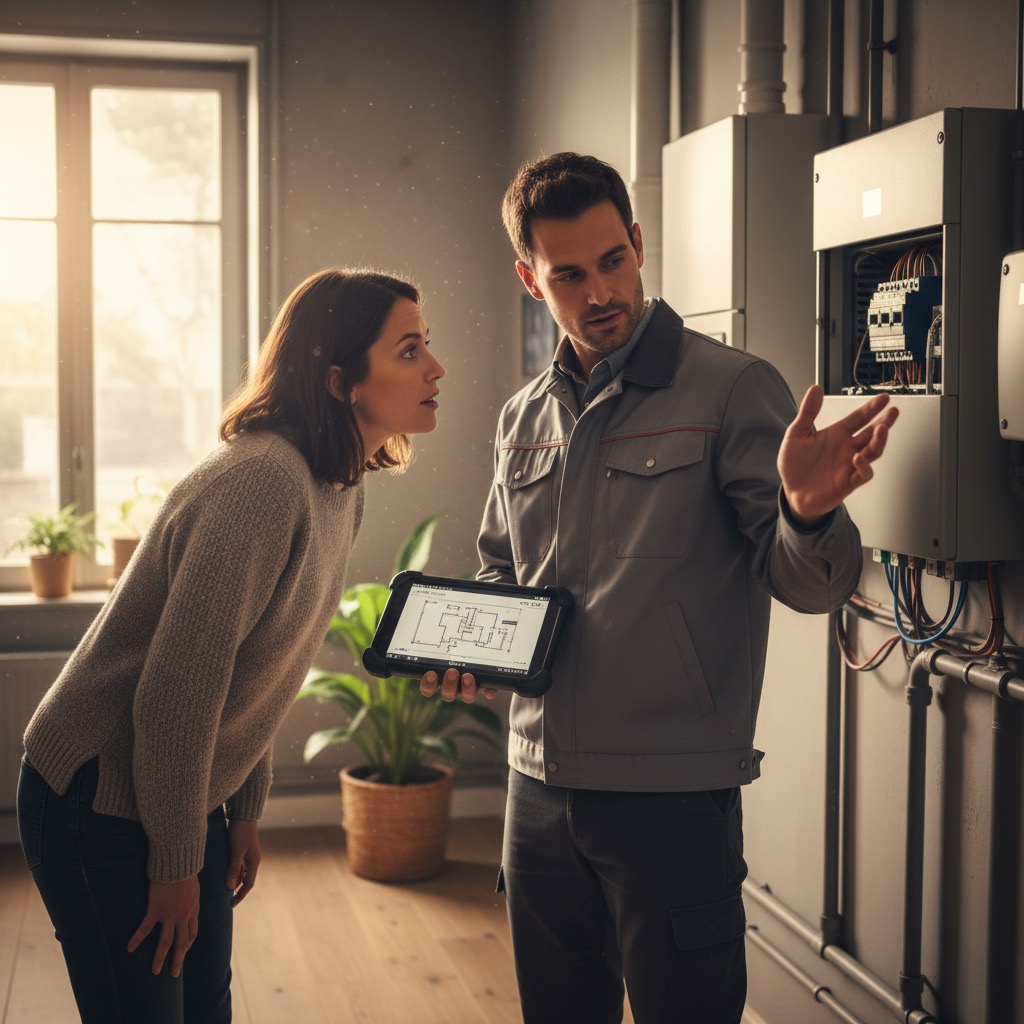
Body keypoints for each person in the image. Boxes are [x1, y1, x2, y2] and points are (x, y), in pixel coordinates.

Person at [421, 152, 898, 1024]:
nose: (599, 290)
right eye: (568, 273)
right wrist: (473, 650)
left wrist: (806, 510)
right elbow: (503, 570)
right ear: (531, 278)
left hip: (671, 801)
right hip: (536, 792)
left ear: (638, 244)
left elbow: (808, 586)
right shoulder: (522, 417)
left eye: (614, 260)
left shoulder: (732, 389)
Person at [17, 267, 445, 1024]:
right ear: (341, 378)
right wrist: (178, 866)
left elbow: (263, 666)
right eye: (409, 350)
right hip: (96, 794)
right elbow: (176, 698)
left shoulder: (338, 481)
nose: (435, 368)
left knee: (204, 1009)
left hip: (174, 790)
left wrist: (242, 806)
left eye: (427, 346)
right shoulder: (263, 483)